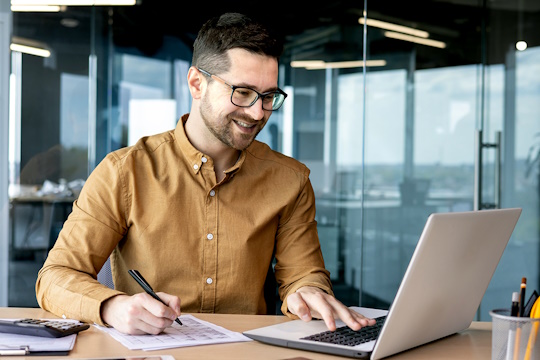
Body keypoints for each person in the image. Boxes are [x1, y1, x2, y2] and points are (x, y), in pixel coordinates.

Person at [36, 12, 375, 335]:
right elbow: (55, 277)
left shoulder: (291, 179)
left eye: (269, 96)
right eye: (242, 92)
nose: (257, 112)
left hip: (246, 352)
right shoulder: (124, 171)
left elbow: (304, 273)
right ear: (197, 83)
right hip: (151, 350)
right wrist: (113, 306)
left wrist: (307, 291)